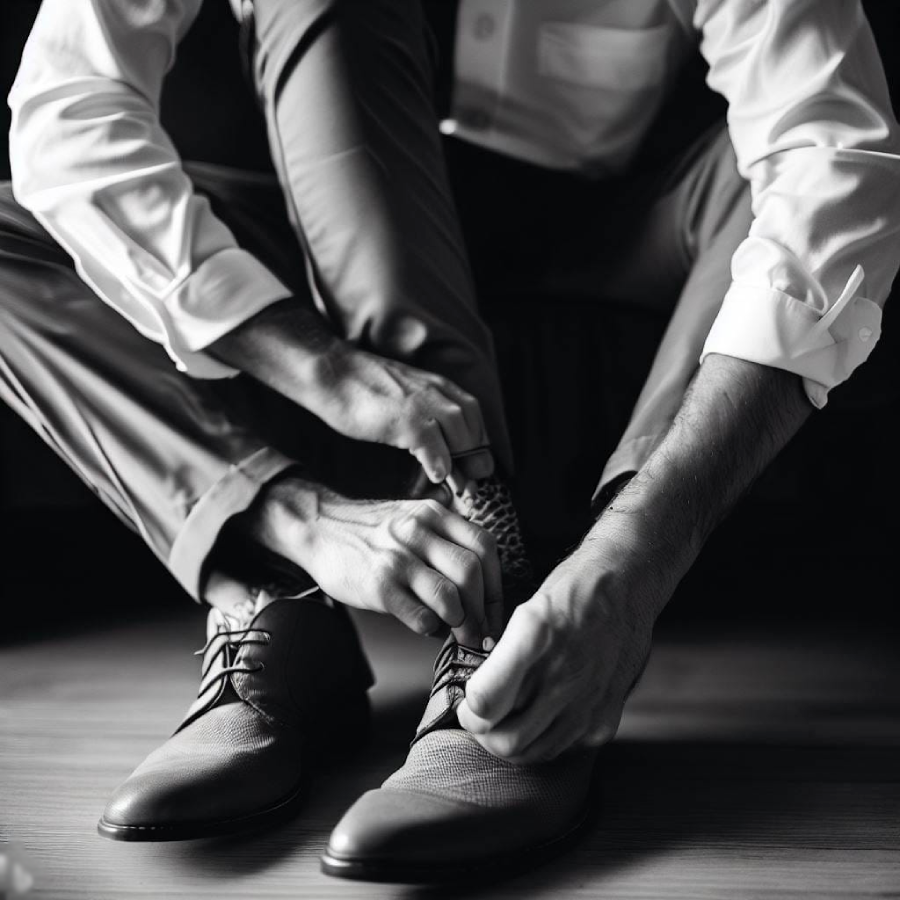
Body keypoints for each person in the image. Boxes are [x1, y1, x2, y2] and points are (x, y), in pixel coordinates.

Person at [2, 0, 898, 884]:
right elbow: (67, 107)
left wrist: (634, 560)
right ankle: (281, 573)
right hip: (320, 247)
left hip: (614, 225)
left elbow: (835, 157)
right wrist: (320, 387)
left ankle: (502, 617)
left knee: (793, 176)